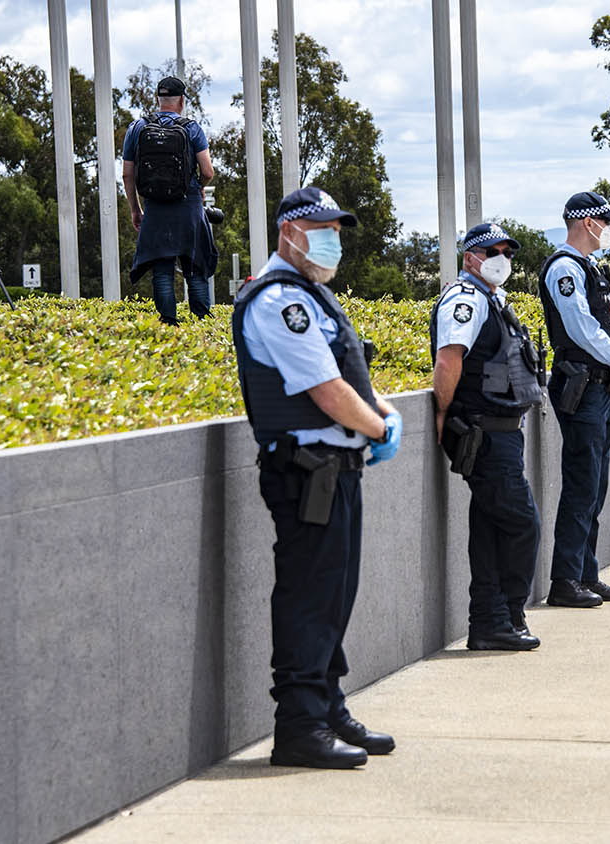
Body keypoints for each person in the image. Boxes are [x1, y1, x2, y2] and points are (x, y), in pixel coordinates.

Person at [232, 187, 403, 769]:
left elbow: (346, 375)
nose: (333, 237)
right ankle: (299, 726)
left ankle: (328, 706)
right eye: (321, 227)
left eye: (337, 227)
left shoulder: (314, 296)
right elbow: (325, 392)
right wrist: (378, 431)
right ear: (290, 232)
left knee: (334, 593)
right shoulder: (281, 301)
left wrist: (382, 412)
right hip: (306, 472)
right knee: (309, 595)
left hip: (334, 470)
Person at [430, 223, 545, 650]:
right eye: (492, 251)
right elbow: (449, 360)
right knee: (521, 523)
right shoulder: (465, 301)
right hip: (483, 433)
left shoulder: (493, 301)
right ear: (470, 258)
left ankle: (488, 623)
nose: (503, 259)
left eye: (507, 252)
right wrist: (442, 412)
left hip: (502, 434)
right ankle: (507, 614)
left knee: (490, 529)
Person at [537, 192, 610, 608]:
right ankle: (565, 580)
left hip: (599, 387)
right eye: (605, 220)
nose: (609, 228)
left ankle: (586, 573)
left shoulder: (590, 268)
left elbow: (607, 321)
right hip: (581, 386)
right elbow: (579, 327)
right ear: (585, 222)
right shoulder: (564, 268)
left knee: (596, 484)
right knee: (581, 484)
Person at [122, 75, 218, 324]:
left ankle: (168, 324)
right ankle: (202, 324)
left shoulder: (137, 128)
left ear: (158, 99)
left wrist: (136, 209)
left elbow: (127, 173)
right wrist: (200, 188)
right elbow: (207, 171)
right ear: (182, 101)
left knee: (162, 270)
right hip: (188, 207)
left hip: (155, 208)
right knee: (194, 266)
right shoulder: (192, 128)